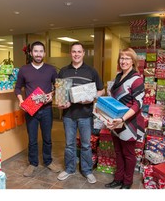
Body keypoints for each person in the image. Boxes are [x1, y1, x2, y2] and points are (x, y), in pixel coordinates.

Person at [56, 42, 105, 184]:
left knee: (86, 145)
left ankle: (87, 171)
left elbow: (101, 90)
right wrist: (61, 103)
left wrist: (92, 96)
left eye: (79, 51)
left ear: (83, 53)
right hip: (68, 115)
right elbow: (60, 93)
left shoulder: (91, 71)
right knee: (69, 144)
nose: (76, 54)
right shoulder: (63, 71)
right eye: (73, 51)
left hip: (85, 114)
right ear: (70, 53)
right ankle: (69, 169)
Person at [14, 41, 60, 177]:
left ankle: (48, 161)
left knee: (47, 138)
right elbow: (17, 87)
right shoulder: (24, 70)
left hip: (46, 110)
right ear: (31, 53)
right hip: (30, 110)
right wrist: (21, 100)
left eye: (41, 51)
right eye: (36, 51)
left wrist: (51, 95)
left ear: (44, 53)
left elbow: (58, 86)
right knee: (32, 139)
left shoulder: (51, 69)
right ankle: (33, 163)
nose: (38, 54)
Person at [105, 47, 145, 189]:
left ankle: (127, 182)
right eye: (122, 58)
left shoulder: (137, 79)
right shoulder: (118, 76)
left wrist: (122, 119)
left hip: (129, 122)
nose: (124, 61)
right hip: (116, 121)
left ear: (133, 61)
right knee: (118, 152)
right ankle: (118, 178)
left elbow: (138, 104)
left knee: (128, 154)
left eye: (127, 58)